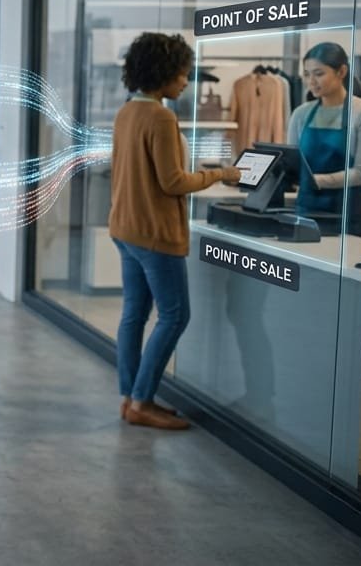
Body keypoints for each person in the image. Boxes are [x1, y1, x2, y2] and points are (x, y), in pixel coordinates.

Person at [110, 32, 241, 431]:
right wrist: (223, 173)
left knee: (134, 314)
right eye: (182, 73)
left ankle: (131, 397)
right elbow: (172, 182)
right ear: (164, 71)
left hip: (125, 228)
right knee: (175, 315)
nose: (186, 80)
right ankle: (142, 401)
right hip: (155, 235)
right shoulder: (161, 117)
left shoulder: (128, 111)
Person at [289, 41, 361, 240]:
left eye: (319, 73)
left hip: (348, 214)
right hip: (306, 210)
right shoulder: (301, 114)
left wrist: (316, 181)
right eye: (307, 74)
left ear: (341, 72)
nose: (311, 81)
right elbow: (291, 162)